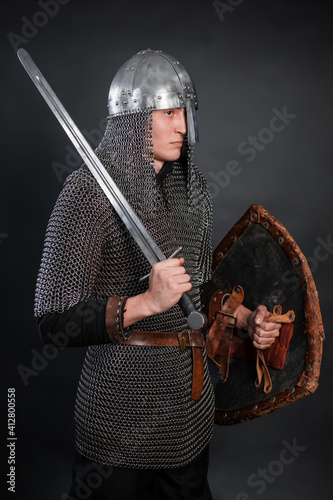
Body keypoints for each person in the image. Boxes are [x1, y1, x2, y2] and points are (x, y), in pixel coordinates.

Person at [34, 49, 281, 500]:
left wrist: (245, 320)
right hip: (118, 414)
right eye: (169, 113)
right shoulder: (87, 193)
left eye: (184, 112)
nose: (182, 126)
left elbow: (199, 290)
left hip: (186, 412)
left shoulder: (194, 193)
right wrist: (145, 303)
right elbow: (52, 320)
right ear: (134, 117)